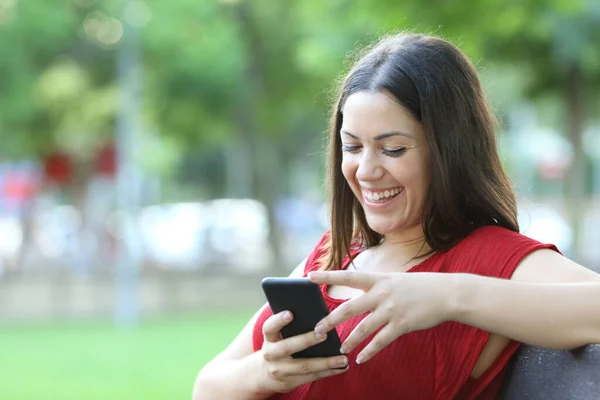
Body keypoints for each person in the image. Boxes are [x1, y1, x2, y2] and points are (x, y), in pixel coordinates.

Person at [193, 32, 600, 399]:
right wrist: (266, 372)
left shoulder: (489, 257)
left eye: (392, 149)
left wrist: (449, 295)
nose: (366, 171)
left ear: (449, 152)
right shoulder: (335, 255)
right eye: (352, 147)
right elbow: (206, 388)